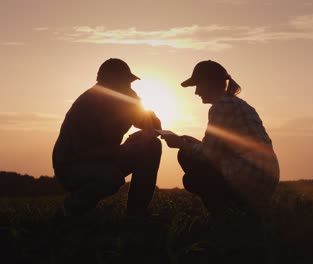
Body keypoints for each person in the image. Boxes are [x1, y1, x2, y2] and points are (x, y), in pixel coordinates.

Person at [163, 60, 280, 215]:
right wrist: (195, 143)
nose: (196, 92)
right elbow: (220, 150)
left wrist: (181, 144)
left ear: (209, 83)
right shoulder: (237, 104)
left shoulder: (221, 106)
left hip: (249, 177)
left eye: (197, 85)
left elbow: (208, 155)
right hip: (264, 178)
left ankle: (225, 216)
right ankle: (240, 212)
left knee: (190, 168)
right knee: (192, 157)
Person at [52, 58, 163, 217]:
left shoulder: (125, 102)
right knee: (112, 178)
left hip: (104, 160)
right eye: (126, 83)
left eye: (130, 84)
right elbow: (83, 151)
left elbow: (155, 126)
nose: (129, 87)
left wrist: (139, 106)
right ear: (110, 82)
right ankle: (68, 210)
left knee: (152, 145)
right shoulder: (87, 104)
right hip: (72, 167)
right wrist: (121, 151)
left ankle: (136, 215)